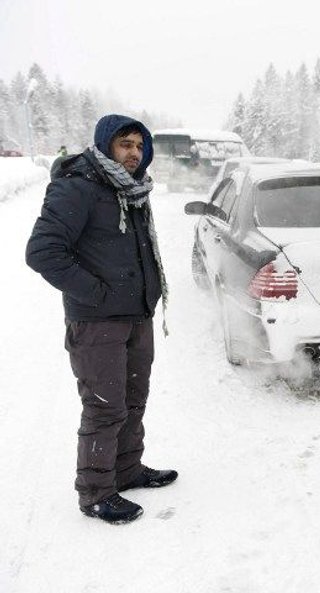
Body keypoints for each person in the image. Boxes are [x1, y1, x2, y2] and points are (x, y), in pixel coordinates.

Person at [26, 114, 177, 524]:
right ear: (105, 144)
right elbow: (42, 252)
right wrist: (97, 294)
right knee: (105, 407)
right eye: (125, 144)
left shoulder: (132, 190)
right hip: (97, 322)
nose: (134, 153)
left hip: (135, 314)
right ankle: (95, 492)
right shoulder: (78, 188)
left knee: (132, 400)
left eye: (140, 146)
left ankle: (126, 470)